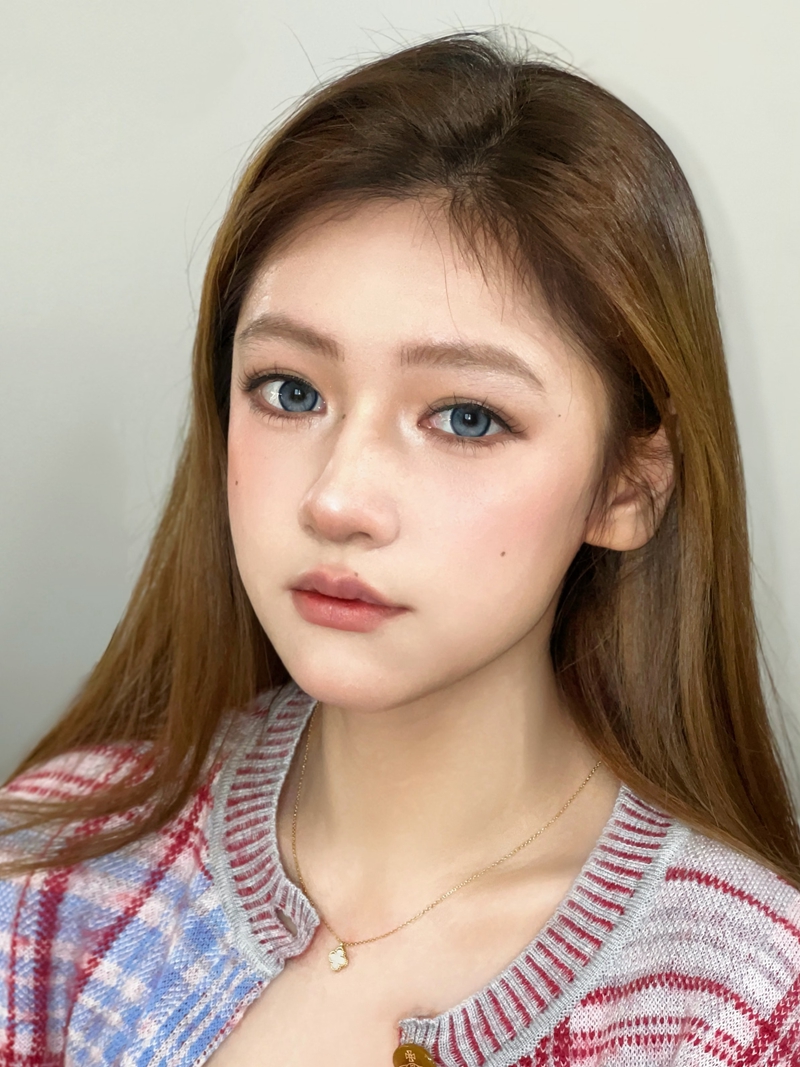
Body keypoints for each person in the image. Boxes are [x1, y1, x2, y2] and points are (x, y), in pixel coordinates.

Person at [1, 28, 798, 1067]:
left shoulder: (741, 1004)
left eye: (466, 416)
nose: (336, 499)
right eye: (291, 391)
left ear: (626, 484)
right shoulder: (48, 871)